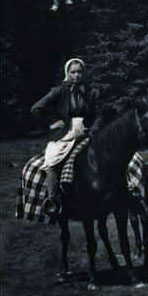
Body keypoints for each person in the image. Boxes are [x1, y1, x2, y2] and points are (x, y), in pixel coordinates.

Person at [30, 58, 99, 215]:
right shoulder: (59, 91)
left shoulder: (91, 92)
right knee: (52, 160)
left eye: (79, 72)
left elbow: (99, 114)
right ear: (67, 73)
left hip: (86, 131)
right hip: (66, 133)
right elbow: (36, 108)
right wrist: (51, 122)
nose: (76, 75)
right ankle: (52, 200)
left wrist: (93, 129)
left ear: (84, 73)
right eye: (73, 72)